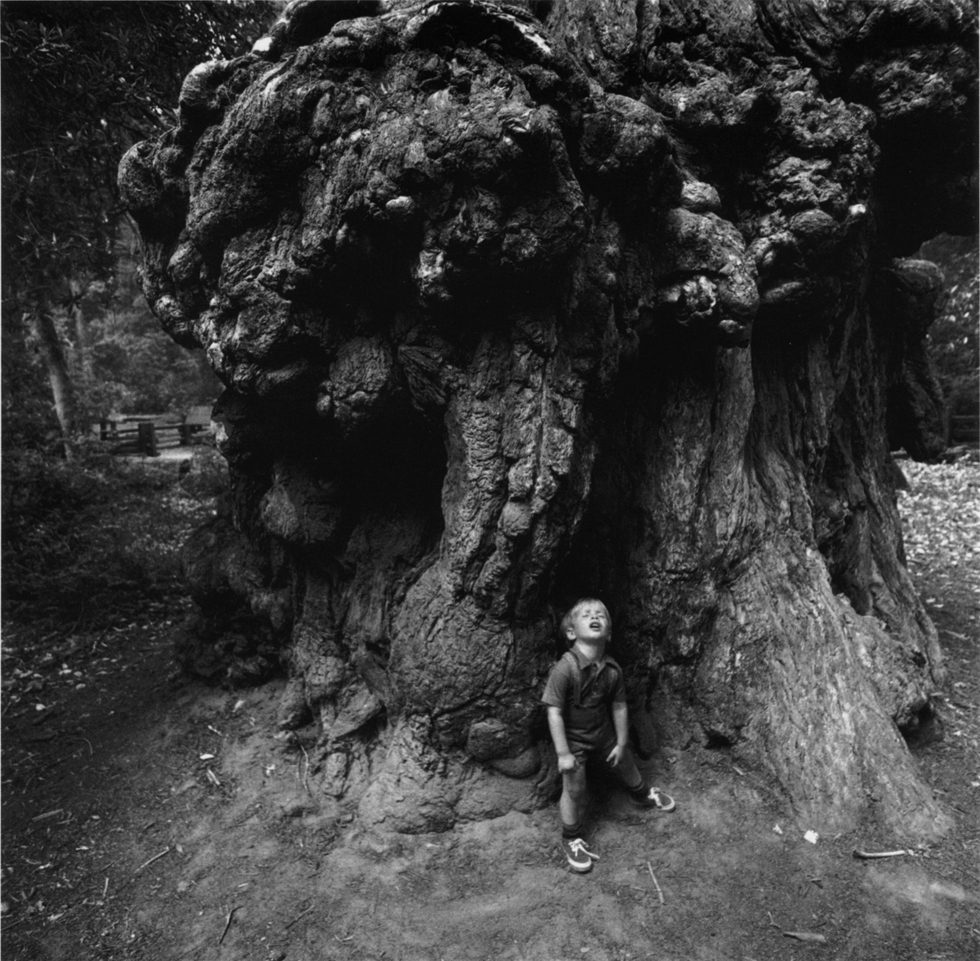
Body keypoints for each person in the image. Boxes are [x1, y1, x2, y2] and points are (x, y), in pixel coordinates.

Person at [541, 597, 675, 873]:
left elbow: (619, 705)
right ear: (570, 632)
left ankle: (641, 794)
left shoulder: (612, 670)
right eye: (587, 614)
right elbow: (553, 711)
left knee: (624, 761)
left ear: (609, 632)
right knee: (574, 788)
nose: (595, 617)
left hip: (602, 734)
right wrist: (563, 753)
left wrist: (623, 742)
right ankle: (571, 837)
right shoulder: (565, 668)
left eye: (601, 615)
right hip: (574, 741)